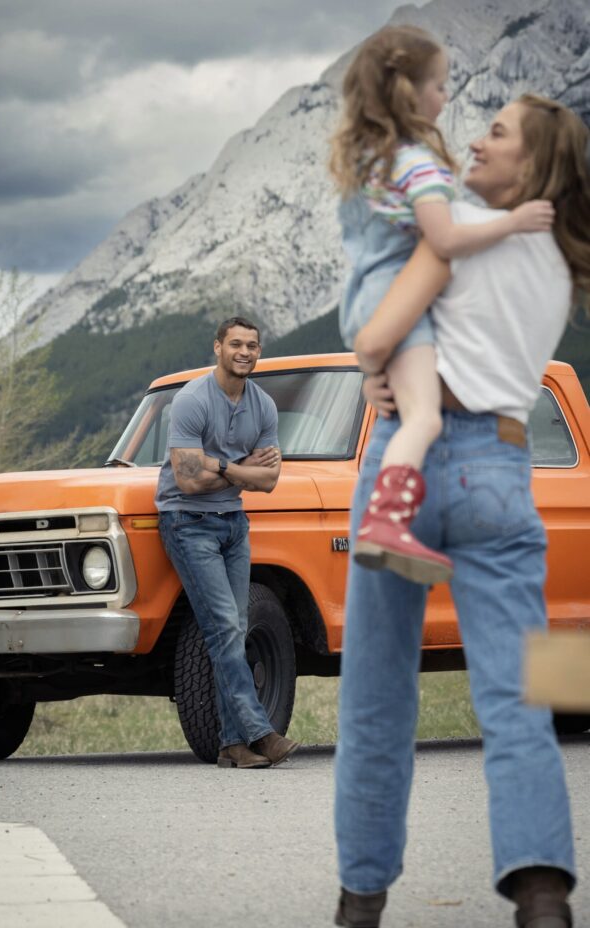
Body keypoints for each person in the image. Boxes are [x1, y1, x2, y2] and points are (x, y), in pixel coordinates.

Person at [334, 95, 590, 928]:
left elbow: (378, 336)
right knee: (526, 695)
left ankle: (361, 901)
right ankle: (543, 897)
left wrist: (378, 365)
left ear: (537, 162)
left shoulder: (456, 230)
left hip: (404, 458)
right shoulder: (558, 263)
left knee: (376, 698)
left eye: (499, 132)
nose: (477, 138)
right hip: (502, 470)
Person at [329, 25, 554, 585]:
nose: (446, 96)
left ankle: (388, 521)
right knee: (424, 416)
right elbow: (444, 241)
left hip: (365, 300)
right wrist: (514, 222)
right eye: (439, 84)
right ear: (409, 92)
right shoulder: (418, 164)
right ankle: (388, 520)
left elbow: (373, 338)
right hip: (396, 300)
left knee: (408, 402)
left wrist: (372, 368)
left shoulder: (368, 166)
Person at [156, 317, 300, 769]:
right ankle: (260, 732)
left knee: (233, 629)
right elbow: (186, 478)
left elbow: (271, 480)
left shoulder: (264, 406)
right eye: (235, 343)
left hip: (233, 525)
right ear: (217, 347)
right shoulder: (192, 400)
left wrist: (220, 468)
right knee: (224, 627)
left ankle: (231, 746)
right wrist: (240, 468)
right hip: (188, 523)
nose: (244, 351)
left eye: (252, 345)